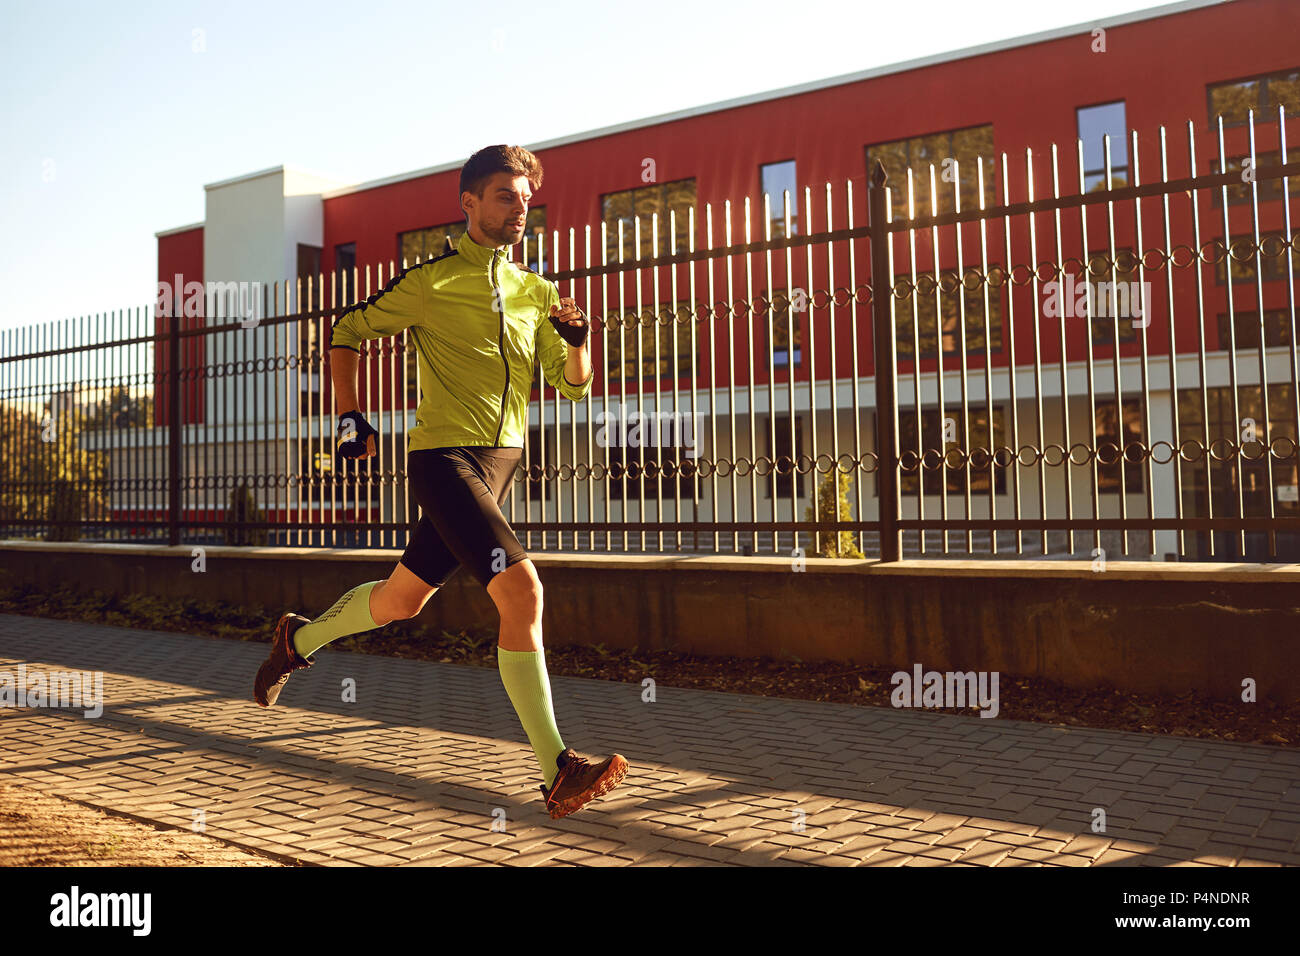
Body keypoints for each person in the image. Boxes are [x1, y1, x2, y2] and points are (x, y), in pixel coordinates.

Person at [253, 144, 628, 821]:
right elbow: (347, 330)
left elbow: (571, 389)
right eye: (505, 197)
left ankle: (295, 641)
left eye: (524, 198)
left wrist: (576, 340)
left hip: (501, 462)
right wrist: (349, 416)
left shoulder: (536, 292)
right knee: (523, 592)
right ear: (470, 204)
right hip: (443, 458)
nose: (520, 209)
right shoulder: (432, 281)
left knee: (401, 601)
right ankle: (558, 768)